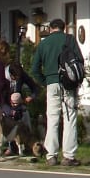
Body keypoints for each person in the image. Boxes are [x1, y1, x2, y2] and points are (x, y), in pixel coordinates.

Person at [32, 18, 84, 167]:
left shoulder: (43, 44)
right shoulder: (70, 40)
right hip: (68, 85)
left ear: (50, 29)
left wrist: (45, 82)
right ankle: (68, 156)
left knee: (52, 118)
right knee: (70, 119)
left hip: (51, 84)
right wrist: (77, 82)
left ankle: (51, 155)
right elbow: (80, 62)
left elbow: (34, 69)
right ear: (64, 27)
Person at [1, 61, 41, 156]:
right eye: (15, 78)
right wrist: (8, 109)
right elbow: (0, 98)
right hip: (5, 106)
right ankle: (11, 147)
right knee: (8, 125)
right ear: (10, 74)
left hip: (18, 105)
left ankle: (30, 145)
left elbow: (35, 87)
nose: (16, 80)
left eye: (19, 79)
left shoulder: (21, 73)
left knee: (25, 118)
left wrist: (32, 96)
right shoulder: (2, 76)